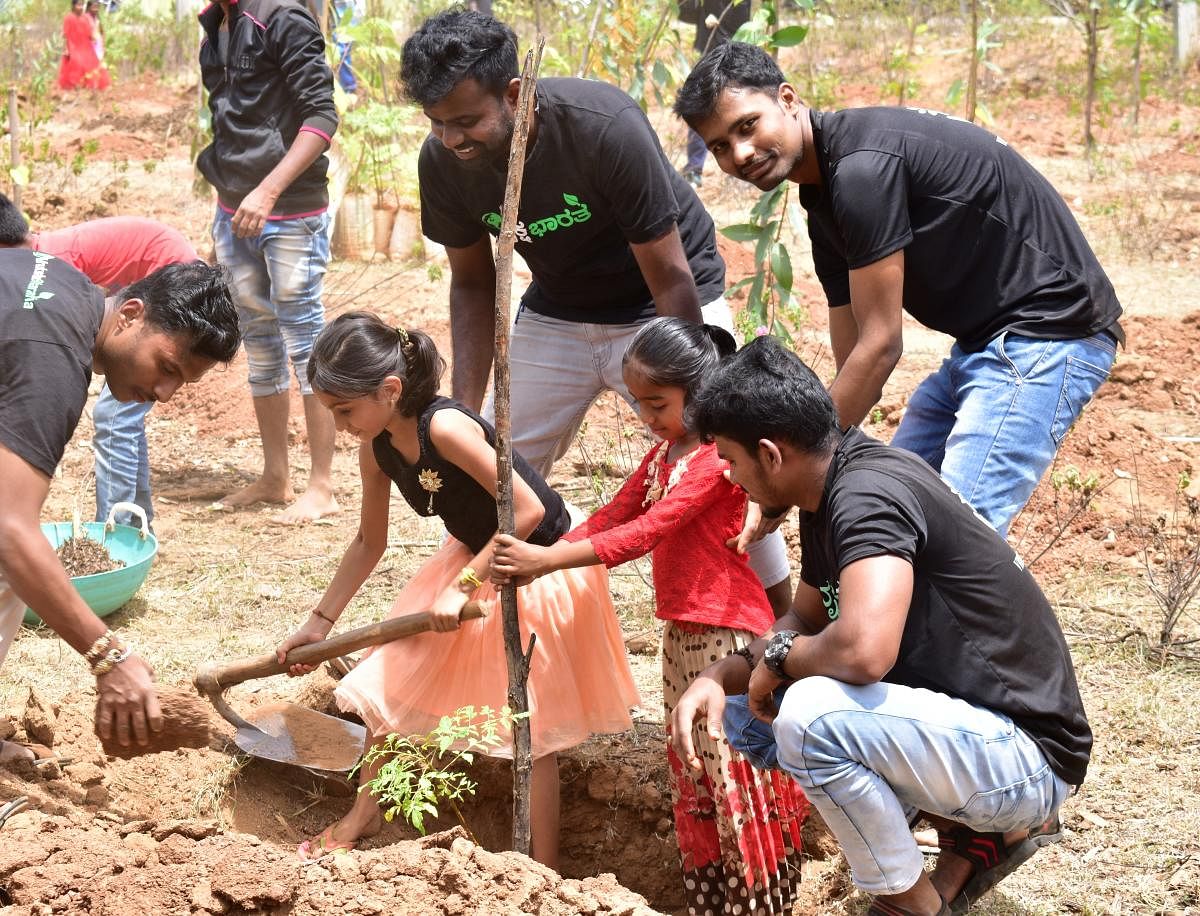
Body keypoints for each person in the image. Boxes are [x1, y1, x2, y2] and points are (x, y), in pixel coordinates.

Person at [669, 337, 1092, 916]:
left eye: (731, 460)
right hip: (978, 732)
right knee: (745, 716)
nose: (729, 477)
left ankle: (914, 904)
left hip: (1025, 760)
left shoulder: (866, 497)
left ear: (770, 453)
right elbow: (806, 617)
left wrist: (777, 660)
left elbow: (864, 651)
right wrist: (723, 673)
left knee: (810, 716)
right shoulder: (831, 485)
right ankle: (975, 836)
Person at [401, 9, 793, 616]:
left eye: (465, 122)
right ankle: (460, 623)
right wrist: (463, 415)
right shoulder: (445, 162)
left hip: (660, 307)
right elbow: (472, 284)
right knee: (491, 469)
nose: (452, 140)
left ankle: (780, 627)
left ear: (514, 94)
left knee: (722, 464)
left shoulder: (602, 127)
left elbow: (669, 273)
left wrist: (700, 399)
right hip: (558, 310)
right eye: (437, 124)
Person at [675, 43, 1124, 536]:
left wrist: (786, 475)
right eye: (719, 145)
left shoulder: (862, 169)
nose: (739, 153)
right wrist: (800, 473)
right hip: (981, 346)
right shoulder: (823, 197)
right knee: (890, 501)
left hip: (1045, 336)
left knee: (956, 535)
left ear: (787, 99)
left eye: (747, 125)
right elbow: (854, 359)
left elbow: (882, 344)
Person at [275, 312, 638, 869]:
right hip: (475, 554)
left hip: (536, 561)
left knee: (530, 727)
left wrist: (468, 585)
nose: (341, 424)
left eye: (344, 410)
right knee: (390, 684)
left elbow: (527, 509)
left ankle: (545, 868)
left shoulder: (445, 428)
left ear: (390, 389)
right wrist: (318, 622)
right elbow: (369, 541)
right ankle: (366, 812)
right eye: (332, 412)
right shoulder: (377, 446)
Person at [492, 318, 807, 913]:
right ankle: (714, 900)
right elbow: (614, 514)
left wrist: (550, 559)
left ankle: (763, 900)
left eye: (657, 404)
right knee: (695, 770)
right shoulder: (667, 454)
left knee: (733, 770)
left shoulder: (715, 460)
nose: (646, 417)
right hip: (685, 632)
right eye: (638, 404)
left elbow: (648, 531)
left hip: (729, 633)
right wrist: (552, 557)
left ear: (700, 390)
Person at [0, 251, 240, 762]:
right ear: (130, 315)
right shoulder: (52, 361)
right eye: (167, 367)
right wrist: (108, 655)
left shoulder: (66, 289)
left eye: (182, 382)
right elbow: (9, 529)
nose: (164, 392)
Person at [197, 0, 340, 525]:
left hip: (290, 210)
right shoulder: (216, 24)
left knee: (304, 339)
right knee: (258, 338)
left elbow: (322, 115)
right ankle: (275, 476)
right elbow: (229, 120)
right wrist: (226, 204)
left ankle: (321, 487)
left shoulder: (282, 16)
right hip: (234, 210)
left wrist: (268, 190)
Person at [0, 196, 200, 528]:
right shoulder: (41, 259)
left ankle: (114, 533)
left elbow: (11, 526)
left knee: (114, 417)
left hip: (177, 293)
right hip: (158, 284)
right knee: (123, 416)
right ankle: (138, 524)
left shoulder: (43, 274)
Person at [679, 0, 752, 188]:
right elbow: (686, 12)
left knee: (736, 113)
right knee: (700, 109)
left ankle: (741, 172)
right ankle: (694, 169)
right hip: (708, 55)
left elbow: (739, 20)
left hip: (732, 57)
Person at [57, 0, 111, 91]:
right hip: (73, 46)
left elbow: (89, 32)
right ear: (73, 6)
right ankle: (74, 85)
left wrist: (95, 39)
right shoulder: (69, 18)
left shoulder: (84, 18)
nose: (80, 7)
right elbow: (65, 34)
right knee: (76, 64)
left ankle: (91, 85)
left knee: (92, 65)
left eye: (82, 5)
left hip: (85, 46)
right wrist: (65, 47)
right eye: (78, 5)